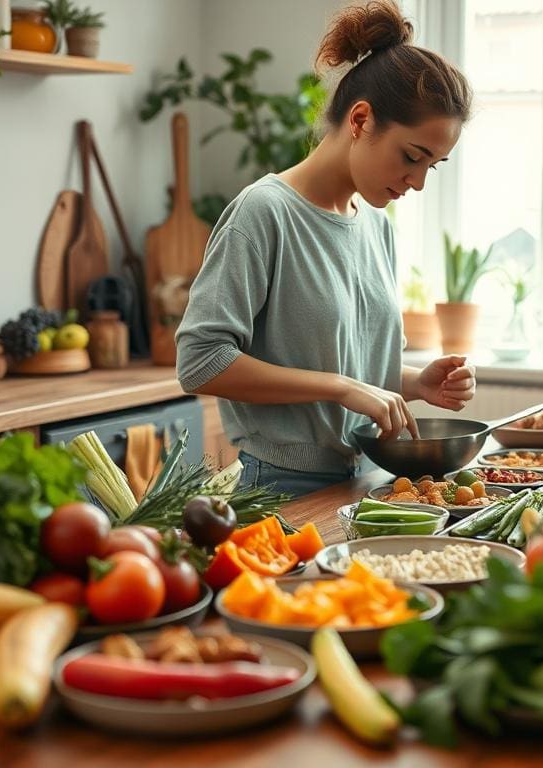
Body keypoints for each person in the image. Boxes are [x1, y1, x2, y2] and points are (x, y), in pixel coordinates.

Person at [176, 0, 476, 497]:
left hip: (364, 478)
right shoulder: (263, 213)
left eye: (433, 166)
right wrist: (341, 386)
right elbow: (201, 360)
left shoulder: (375, 226)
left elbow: (339, 360)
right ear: (360, 120)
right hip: (278, 488)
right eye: (412, 156)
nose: (419, 182)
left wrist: (417, 383)